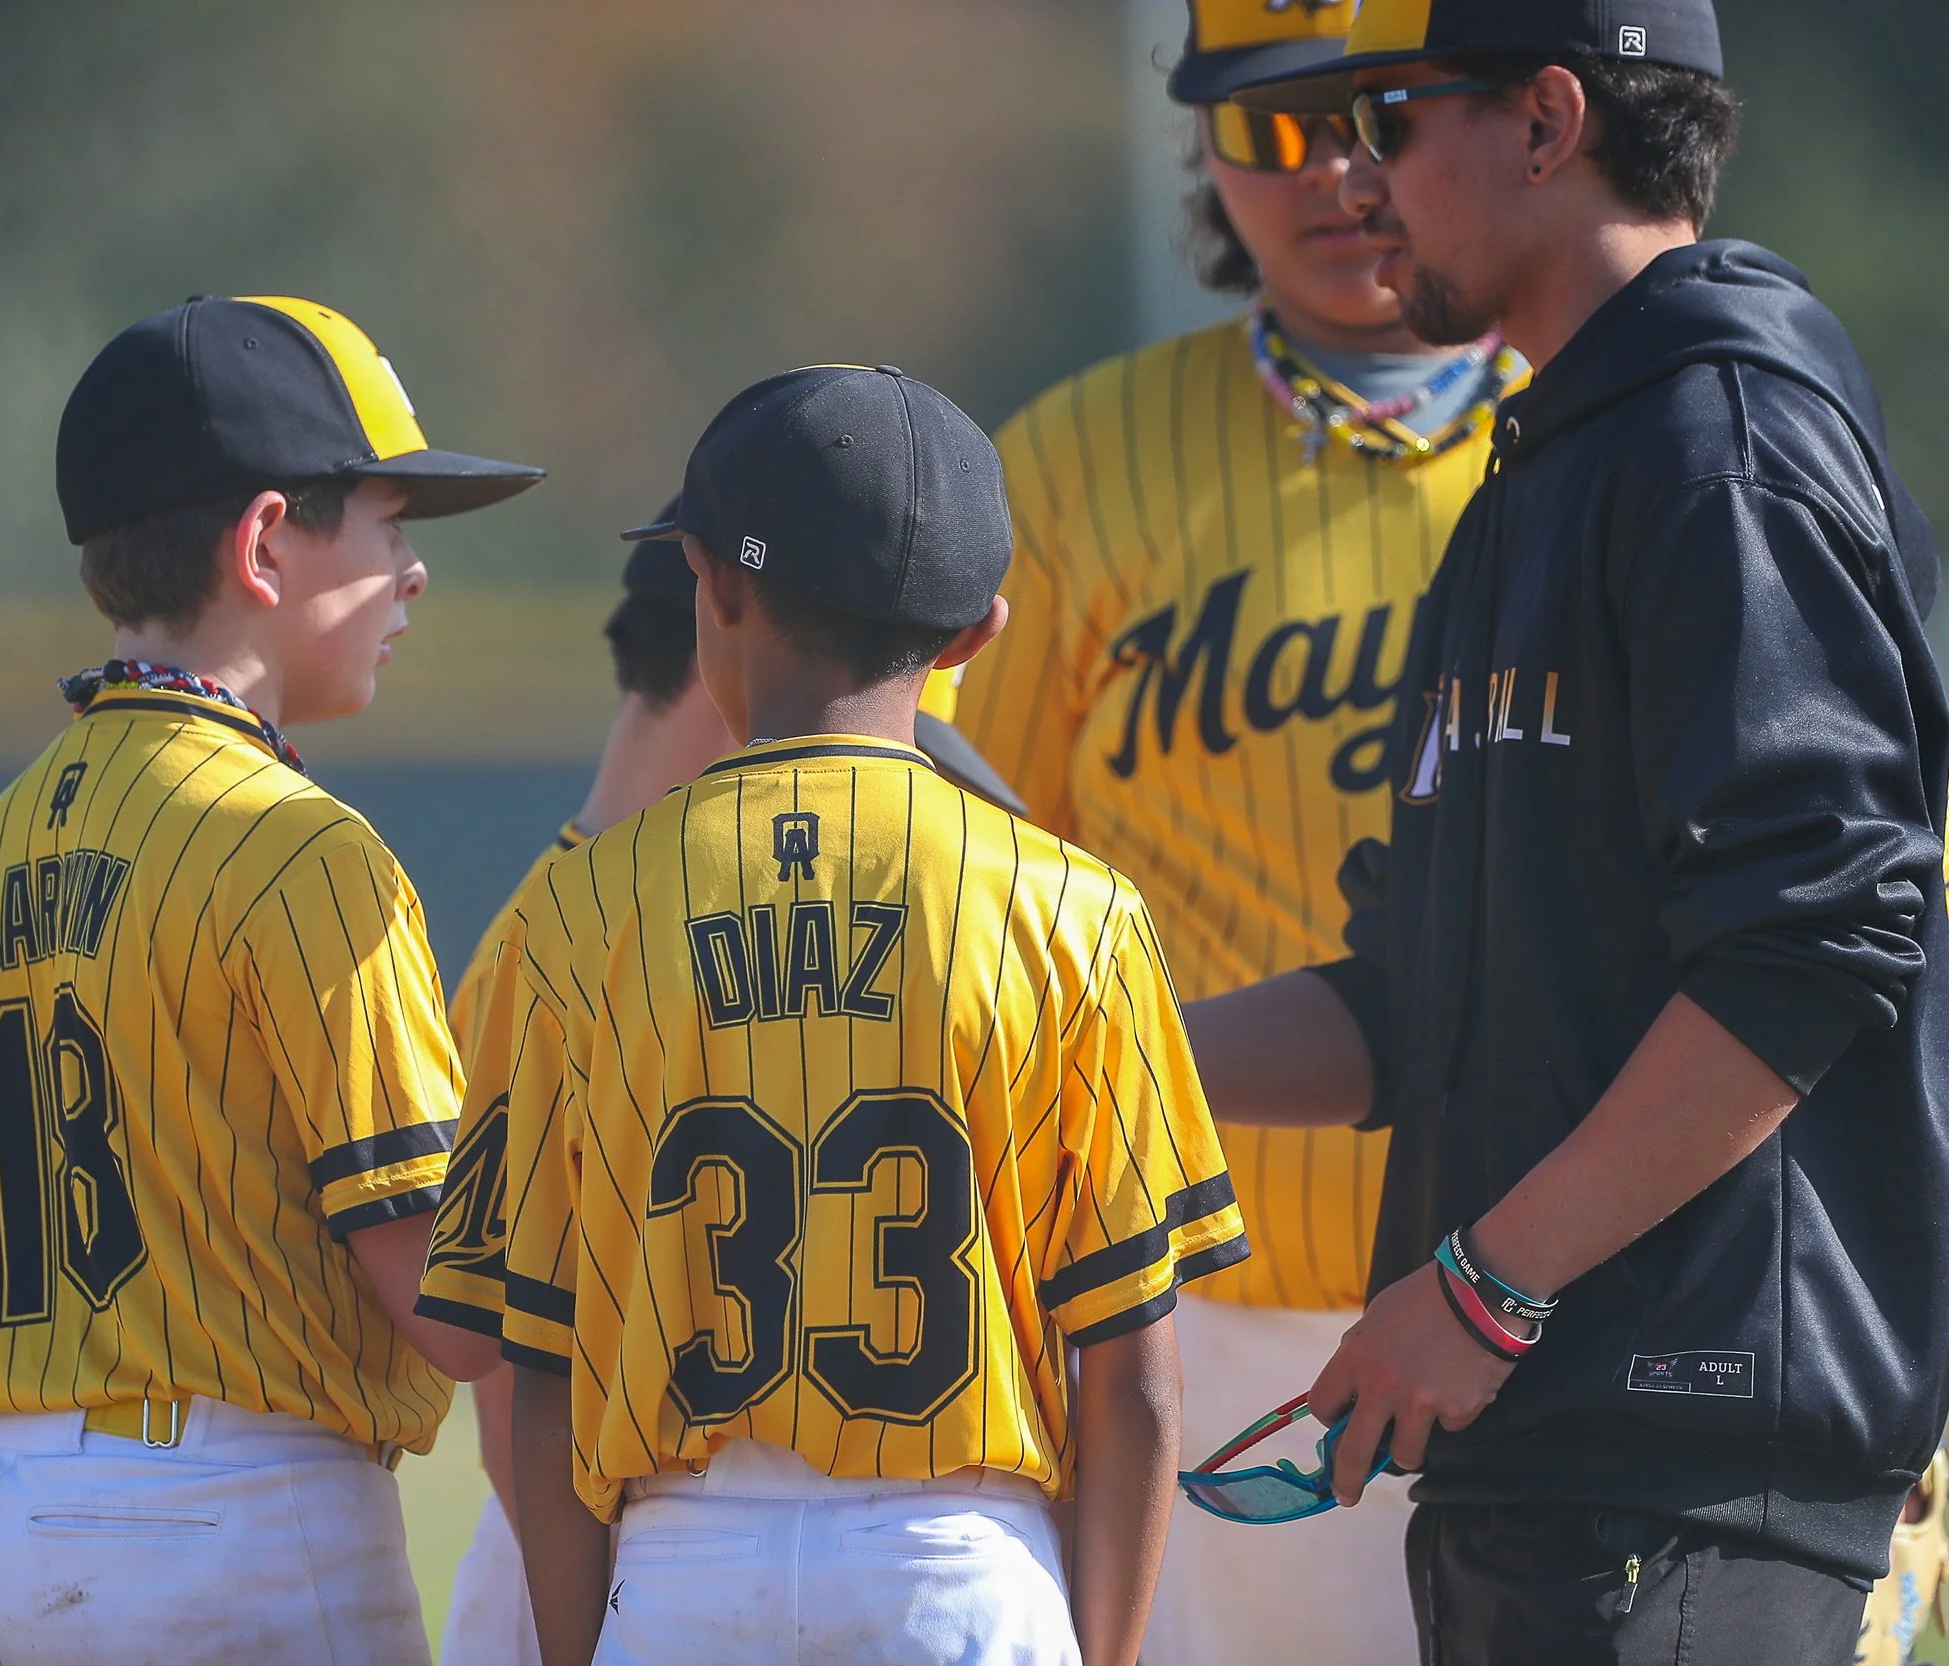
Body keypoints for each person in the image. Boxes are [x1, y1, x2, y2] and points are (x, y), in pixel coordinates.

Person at [1188, 4, 1949, 1658]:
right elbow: (1416, 1003)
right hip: (1546, 1464)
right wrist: (1098, 1056)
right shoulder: (1536, 477)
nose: (1359, 170)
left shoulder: (1719, 445)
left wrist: (1484, 1285)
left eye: (1398, 116)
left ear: (1546, 122)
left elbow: (1808, 943)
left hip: (1686, 1462)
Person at [416, 364, 1246, 1666]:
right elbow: (1135, 1375)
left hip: (685, 1560)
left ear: (714, 584)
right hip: (954, 1565)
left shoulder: (578, 912)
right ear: (979, 632)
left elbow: (542, 1367)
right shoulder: (1074, 906)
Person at [952, 2, 1515, 1658]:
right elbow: (961, 894)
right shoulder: (1066, 469)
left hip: (1564, 1301)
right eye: (1279, 125)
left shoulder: (1636, 433)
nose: (1340, 171)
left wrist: (1868, 1336)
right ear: (1202, 145)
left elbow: (1913, 900)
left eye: (1386, 115)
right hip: (1186, 1316)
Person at [0, 294, 524, 1665]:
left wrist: (27, 1524)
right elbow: (448, 1296)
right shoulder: (297, 848)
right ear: (263, 541)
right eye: (385, 521)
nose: (411, 570)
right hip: (234, 1517)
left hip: (8, 1510)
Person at [432, 517, 1030, 1666]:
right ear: (735, 651)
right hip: (600, 1556)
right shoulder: (564, 949)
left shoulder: (556, 928)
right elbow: (517, 1380)